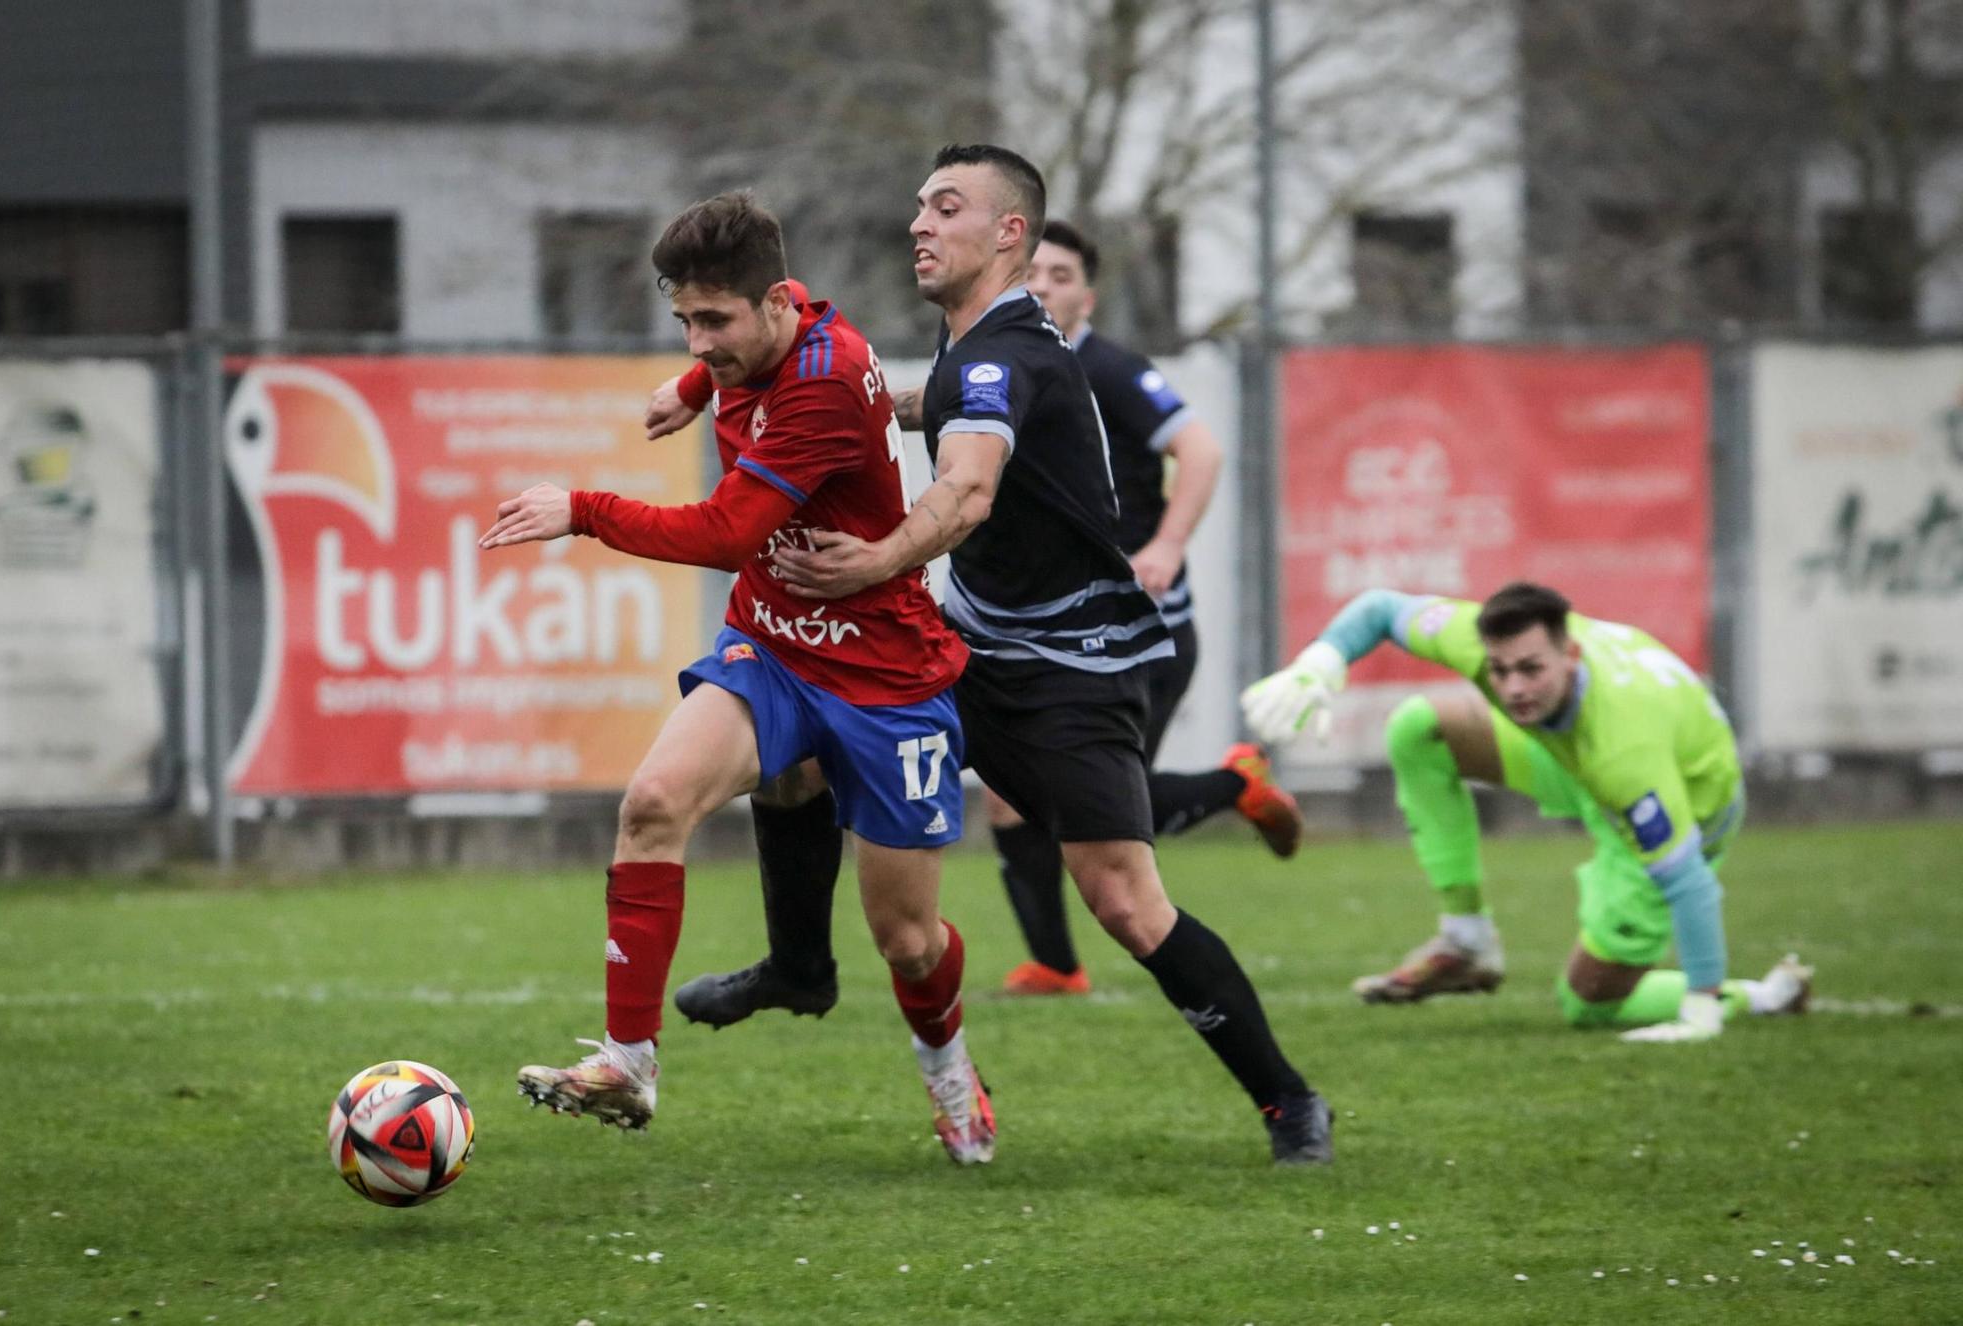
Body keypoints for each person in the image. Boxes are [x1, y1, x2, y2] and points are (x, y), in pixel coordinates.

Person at [677, 144, 1333, 1165]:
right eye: (917, 206)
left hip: (1076, 674)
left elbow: (966, 491)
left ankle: (1287, 1101)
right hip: (972, 651)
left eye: (945, 207)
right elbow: (884, 390)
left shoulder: (1001, 355)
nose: (918, 225)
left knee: (1120, 897)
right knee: (796, 735)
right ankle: (798, 967)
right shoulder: (974, 349)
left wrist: (878, 559)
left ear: (1009, 235)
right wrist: (715, 374)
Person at [479, 192, 997, 1164]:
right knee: (653, 803)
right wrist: (693, 383)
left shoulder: (823, 383)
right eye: (683, 320)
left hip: (885, 671)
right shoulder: (775, 317)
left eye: (713, 323)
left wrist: (580, 507)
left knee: (907, 940)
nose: (699, 338)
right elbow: (751, 332)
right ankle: (628, 1062)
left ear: (771, 309)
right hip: (773, 645)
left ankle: (949, 1070)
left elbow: (723, 532)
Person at [1242, 582, 1811, 1042]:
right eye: (1501, 670)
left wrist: (1701, 1009)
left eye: (1531, 670)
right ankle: (1466, 938)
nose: (1513, 689)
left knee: (1588, 1003)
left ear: (1572, 656)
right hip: (1570, 756)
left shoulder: (1624, 751)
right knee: (1419, 729)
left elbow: (1690, 883)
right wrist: (1321, 663)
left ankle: (1759, 996)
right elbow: (1382, 608)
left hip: (1690, 803)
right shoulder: (1485, 644)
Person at [984, 218, 1299, 997]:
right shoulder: (1011, 364)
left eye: (1061, 276)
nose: (1045, 288)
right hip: (1058, 632)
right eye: (1034, 274)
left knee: (1098, 810)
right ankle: (1056, 965)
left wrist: (1164, 544)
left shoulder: (1111, 369)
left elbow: (1202, 450)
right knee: (1009, 793)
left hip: (1139, 633)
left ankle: (1237, 784)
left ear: (1086, 297)